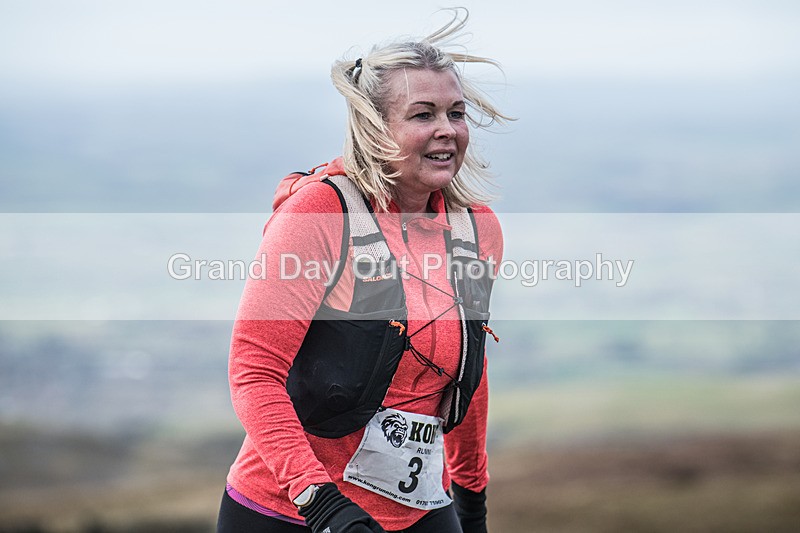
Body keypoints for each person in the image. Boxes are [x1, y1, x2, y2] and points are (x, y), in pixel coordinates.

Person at [217, 8, 510, 533]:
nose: (447, 130)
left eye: (456, 113)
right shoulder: (321, 215)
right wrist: (322, 502)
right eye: (423, 115)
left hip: (422, 508)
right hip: (290, 511)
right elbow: (254, 370)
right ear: (375, 128)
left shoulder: (475, 230)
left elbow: (468, 368)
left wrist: (472, 500)